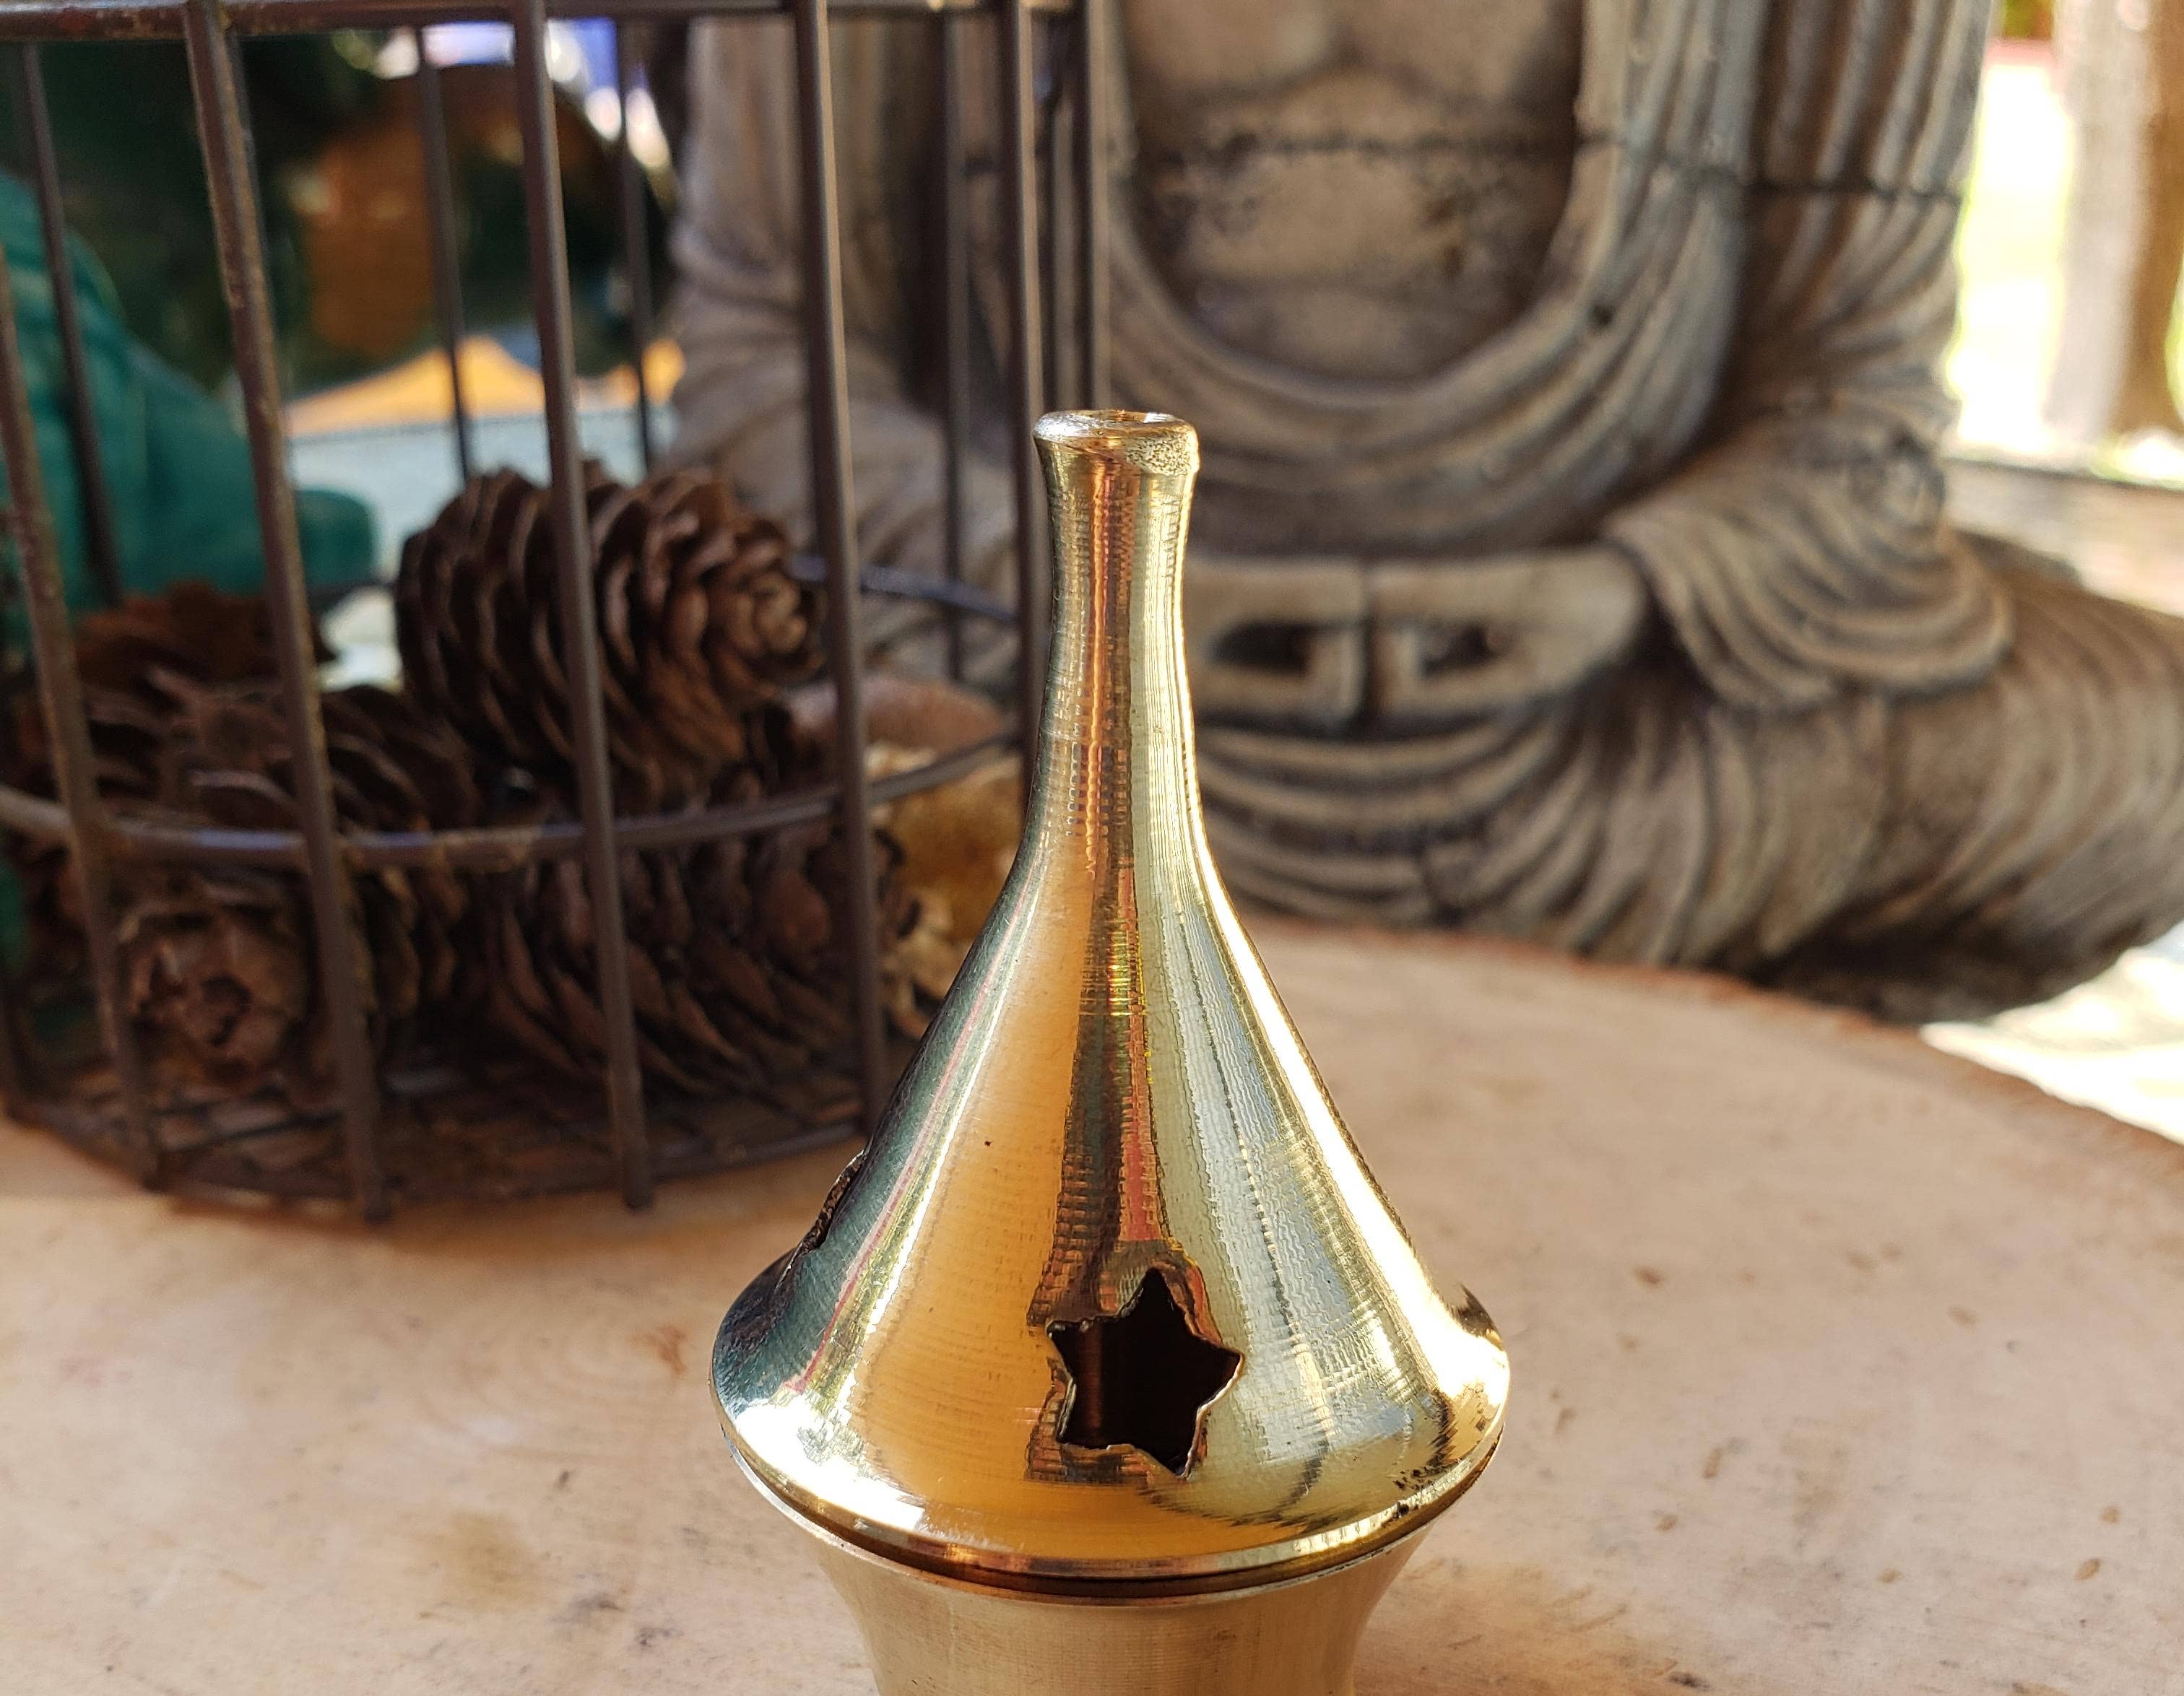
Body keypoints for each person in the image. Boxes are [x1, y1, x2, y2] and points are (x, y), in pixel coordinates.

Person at [669, 0, 2184, 1020]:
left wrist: (1639, 589)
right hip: (1034, 720)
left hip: (1617, 725)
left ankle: (1661, 1078)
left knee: (2141, 746)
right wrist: (1094, 586)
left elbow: (1853, 400)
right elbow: (763, 360)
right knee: (684, 804)